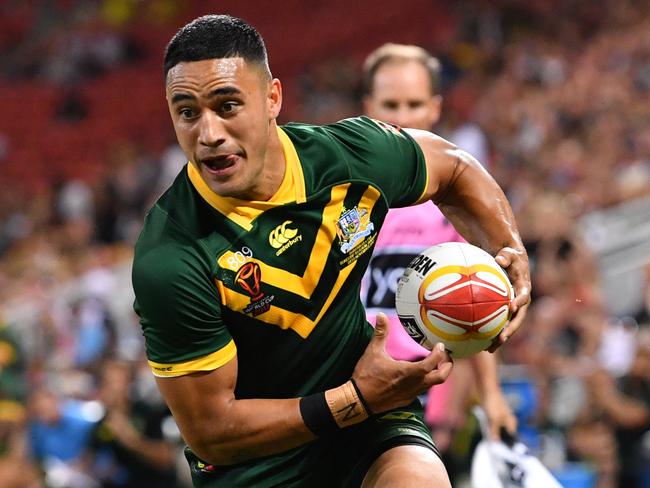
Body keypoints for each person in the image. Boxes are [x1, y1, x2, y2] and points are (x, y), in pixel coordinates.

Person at [132, 14, 531, 487]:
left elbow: (456, 168)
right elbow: (213, 432)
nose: (209, 132)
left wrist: (510, 249)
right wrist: (353, 398)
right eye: (188, 112)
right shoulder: (170, 258)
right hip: (255, 464)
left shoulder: (347, 158)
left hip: (371, 429)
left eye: (228, 105)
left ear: (272, 99)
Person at [360, 43, 517, 460]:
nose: (401, 116)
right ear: (368, 107)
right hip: (351, 389)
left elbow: (474, 305)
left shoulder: (458, 203)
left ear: (435, 109)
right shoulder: (340, 196)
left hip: (426, 392)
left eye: (413, 103)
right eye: (389, 103)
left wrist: (489, 396)